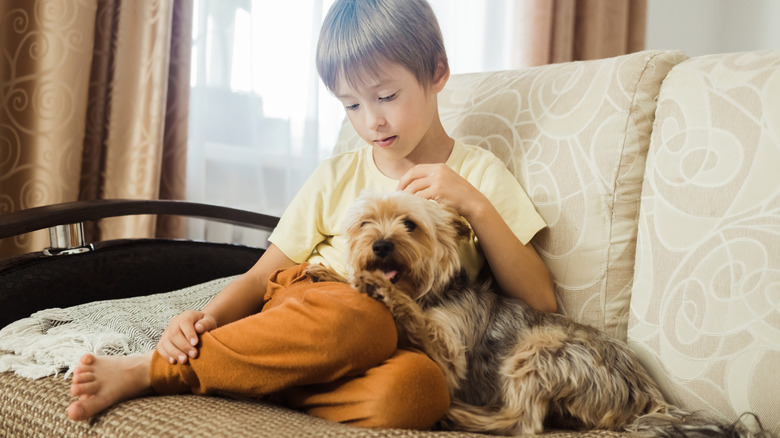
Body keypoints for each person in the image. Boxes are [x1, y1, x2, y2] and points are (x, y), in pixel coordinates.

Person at [66, 0, 556, 429]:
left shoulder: (477, 175)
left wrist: (471, 202)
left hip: (399, 347)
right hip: (321, 301)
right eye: (351, 105)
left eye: (386, 96)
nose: (372, 120)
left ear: (437, 72)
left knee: (419, 390)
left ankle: (268, 379)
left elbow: (540, 301)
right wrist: (205, 318)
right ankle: (149, 369)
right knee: (368, 317)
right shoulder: (335, 175)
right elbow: (262, 279)